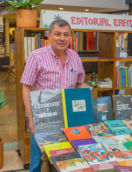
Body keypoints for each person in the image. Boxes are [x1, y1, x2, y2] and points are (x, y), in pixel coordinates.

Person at [21, 19, 85, 172]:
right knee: (37, 161)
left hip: (68, 115)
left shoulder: (75, 57)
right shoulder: (36, 56)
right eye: (57, 34)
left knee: (66, 156)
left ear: (70, 37)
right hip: (43, 116)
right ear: (49, 36)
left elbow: (80, 83)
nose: (61, 38)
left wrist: (80, 111)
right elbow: (26, 87)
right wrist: (32, 118)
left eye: (66, 35)